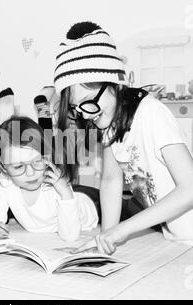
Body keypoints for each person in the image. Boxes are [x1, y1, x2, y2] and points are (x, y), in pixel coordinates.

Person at [54, 21, 193, 254]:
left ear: (116, 85)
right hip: (177, 238)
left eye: (88, 101)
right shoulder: (110, 123)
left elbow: (190, 189)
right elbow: (110, 180)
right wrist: (105, 237)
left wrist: (122, 230)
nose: (87, 114)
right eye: (77, 109)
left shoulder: (151, 113)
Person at [0, 116, 98, 242]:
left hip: (92, 204)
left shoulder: (56, 182)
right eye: (18, 166)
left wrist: (66, 193)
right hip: (74, 194)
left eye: (38, 161)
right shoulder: (5, 181)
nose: (30, 172)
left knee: (120, 208)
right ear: (3, 167)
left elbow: (70, 236)